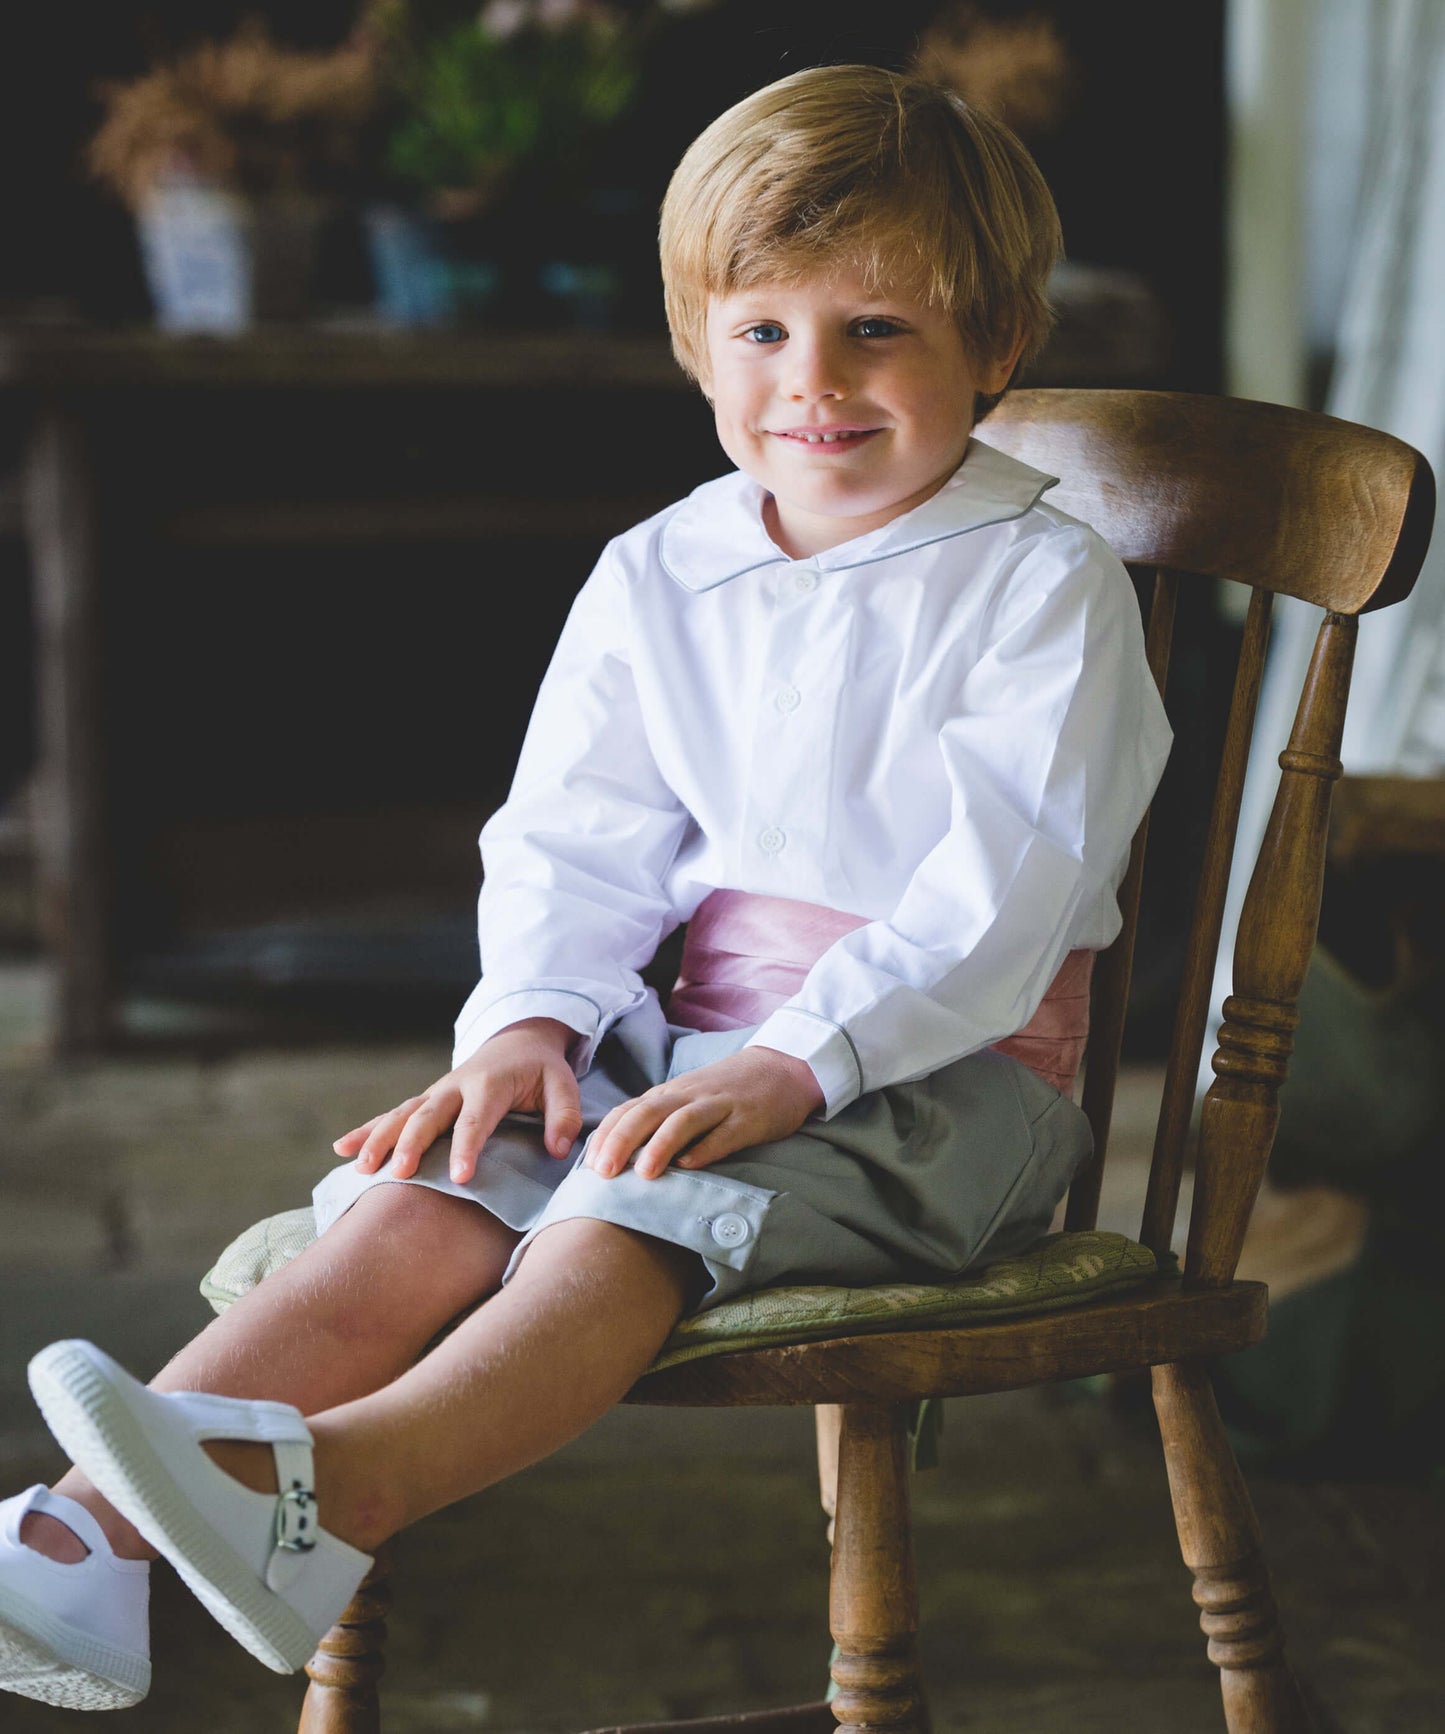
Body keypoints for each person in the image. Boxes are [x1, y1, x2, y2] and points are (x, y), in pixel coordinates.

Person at [0, 62, 1171, 1712]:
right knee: (442, 1185)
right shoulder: (662, 566)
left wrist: (799, 1061)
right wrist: (531, 1017)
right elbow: (575, 829)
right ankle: (79, 1544)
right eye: (761, 331)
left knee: (620, 1217)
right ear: (699, 339)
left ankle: (339, 1489)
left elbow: (1010, 884)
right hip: (678, 1036)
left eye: (878, 331)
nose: (811, 384)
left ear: (997, 344)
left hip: (935, 1072)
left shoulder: (1040, 583)